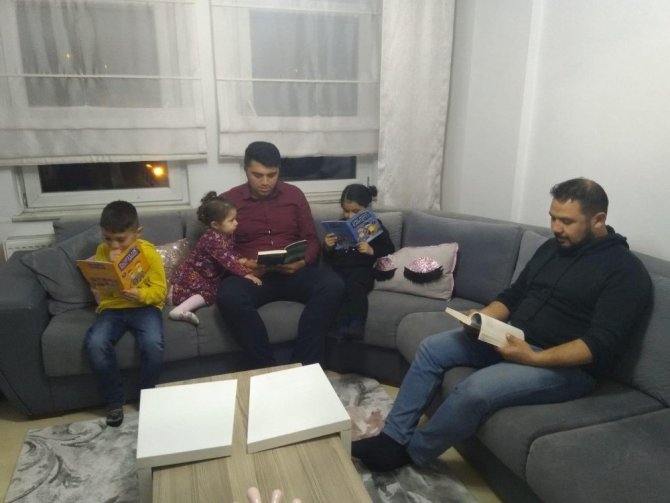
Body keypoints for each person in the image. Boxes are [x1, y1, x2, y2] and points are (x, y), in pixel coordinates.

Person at [352, 178, 652, 471]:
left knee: (475, 389)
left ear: (598, 220)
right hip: (512, 338)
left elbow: (599, 345)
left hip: (564, 366)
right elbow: (514, 294)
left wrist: (533, 357)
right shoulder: (552, 249)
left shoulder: (625, 272)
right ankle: (392, 439)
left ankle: (414, 452)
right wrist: (483, 319)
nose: (556, 228)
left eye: (567, 221)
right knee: (432, 348)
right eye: (552, 217)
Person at [216, 141, 345, 367]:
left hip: (292, 273)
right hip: (254, 277)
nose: (265, 182)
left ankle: (303, 365)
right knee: (228, 295)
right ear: (245, 170)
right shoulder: (228, 201)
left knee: (333, 284)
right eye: (258, 175)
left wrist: (303, 262)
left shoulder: (294, 195)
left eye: (271, 175)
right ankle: (266, 368)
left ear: (279, 171)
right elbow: (218, 249)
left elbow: (311, 239)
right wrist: (242, 264)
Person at [84, 201, 167, 427]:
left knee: (153, 343)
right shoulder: (102, 251)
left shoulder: (148, 253)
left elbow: (160, 291)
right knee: (96, 343)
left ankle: (147, 396)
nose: (114, 245)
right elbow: (101, 285)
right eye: (108, 238)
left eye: (121, 239)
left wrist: (140, 294)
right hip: (113, 308)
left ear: (137, 232)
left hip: (145, 307)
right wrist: (107, 269)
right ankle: (113, 402)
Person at [169, 192, 262, 325]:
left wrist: (243, 260)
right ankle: (180, 310)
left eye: (235, 219)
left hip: (208, 276)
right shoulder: (212, 240)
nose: (236, 223)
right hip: (195, 277)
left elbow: (230, 253)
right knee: (209, 295)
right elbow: (228, 261)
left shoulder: (227, 234)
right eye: (231, 220)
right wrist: (247, 275)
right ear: (215, 225)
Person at [322, 184, 395, 339]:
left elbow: (389, 249)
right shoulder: (339, 226)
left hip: (362, 270)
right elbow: (328, 258)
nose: (349, 216)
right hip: (340, 269)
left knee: (355, 285)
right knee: (334, 286)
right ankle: (335, 327)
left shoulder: (374, 226)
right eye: (346, 211)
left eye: (355, 212)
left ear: (366, 208)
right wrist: (328, 247)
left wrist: (372, 251)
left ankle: (356, 324)